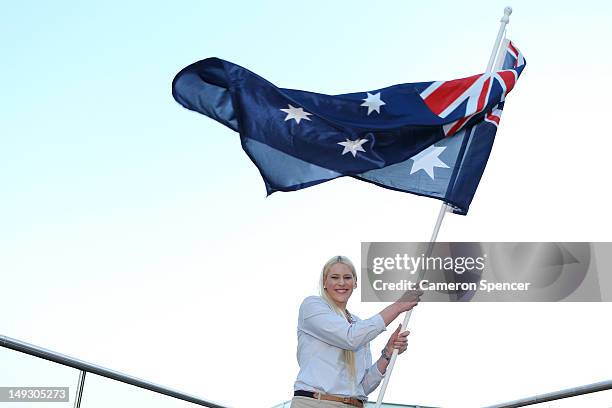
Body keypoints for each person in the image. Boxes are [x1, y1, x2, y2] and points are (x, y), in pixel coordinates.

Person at [291, 255, 421, 408]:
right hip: (315, 403)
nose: (341, 282)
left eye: (347, 277)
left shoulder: (358, 325)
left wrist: (387, 352)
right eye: (334, 277)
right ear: (324, 282)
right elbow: (350, 338)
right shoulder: (312, 306)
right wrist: (398, 306)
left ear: (355, 283)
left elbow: (363, 387)